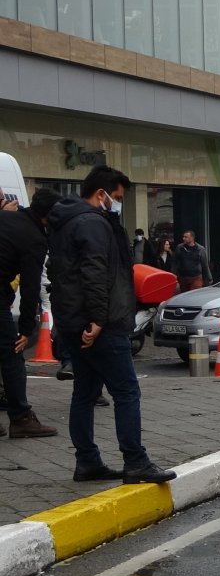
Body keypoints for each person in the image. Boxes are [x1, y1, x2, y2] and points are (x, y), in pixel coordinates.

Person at [47, 165, 176, 483]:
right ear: (101, 194)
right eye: (116, 197)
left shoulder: (65, 222)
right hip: (99, 324)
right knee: (126, 391)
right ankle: (136, 462)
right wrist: (98, 320)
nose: (117, 203)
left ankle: (88, 461)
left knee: (85, 393)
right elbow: (95, 273)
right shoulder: (93, 223)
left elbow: (61, 273)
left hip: (73, 322)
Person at [0, 188, 63, 438]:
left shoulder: (6, 218)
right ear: (50, 215)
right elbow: (30, 287)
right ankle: (21, 417)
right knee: (13, 355)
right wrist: (26, 331)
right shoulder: (35, 238)